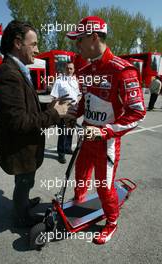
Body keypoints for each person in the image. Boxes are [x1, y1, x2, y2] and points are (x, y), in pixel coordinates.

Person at [66, 16, 146, 244]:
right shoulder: (85, 69)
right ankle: (78, 204)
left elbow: (138, 114)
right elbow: (86, 100)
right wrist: (74, 112)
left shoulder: (122, 69)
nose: (76, 45)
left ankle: (111, 221)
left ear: (93, 37)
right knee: (80, 176)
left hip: (106, 143)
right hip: (86, 138)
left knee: (103, 187)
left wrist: (105, 131)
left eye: (79, 40)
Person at [0, 20, 72, 227]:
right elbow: (19, 122)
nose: (37, 49)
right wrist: (54, 114)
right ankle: (21, 216)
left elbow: (28, 109)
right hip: (21, 149)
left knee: (25, 181)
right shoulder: (7, 74)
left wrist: (50, 107)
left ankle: (24, 202)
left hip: (26, 148)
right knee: (24, 181)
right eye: (34, 44)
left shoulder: (16, 69)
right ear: (18, 43)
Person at [50, 62, 81, 164]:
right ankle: (61, 153)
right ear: (64, 69)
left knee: (70, 131)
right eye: (67, 68)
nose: (69, 70)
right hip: (63, 110)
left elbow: (78, 94)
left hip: (73, 110)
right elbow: (54, 96)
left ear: (74, 69)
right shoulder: (59, 81)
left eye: (71, 68)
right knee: (62, 133)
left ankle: (67, 148)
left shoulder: (75, 81)